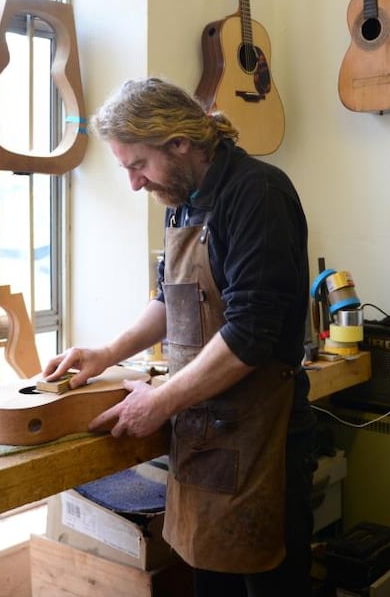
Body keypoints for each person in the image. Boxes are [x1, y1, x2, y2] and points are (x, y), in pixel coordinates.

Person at [43, 77, 316, 596]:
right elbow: (174, 299)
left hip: (264, 434)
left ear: (180, 143)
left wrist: (161, 401)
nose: (134, 183)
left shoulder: (257, 193)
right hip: (205, 431)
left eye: (137, 165)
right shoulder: (183, 198)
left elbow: (251, 332)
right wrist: (107, 353)